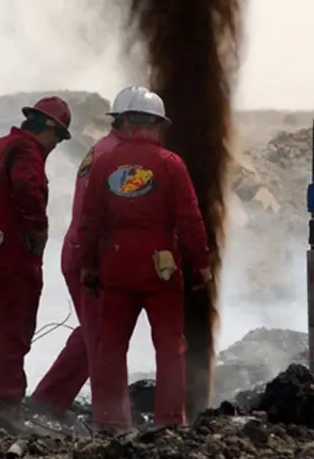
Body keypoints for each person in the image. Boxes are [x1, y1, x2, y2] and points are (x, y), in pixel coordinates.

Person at [77, 89, 212, 431]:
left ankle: (108, 420)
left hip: (116, 264)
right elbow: (190, 219)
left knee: (111, 346)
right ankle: (169, 420)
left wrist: (89, 266)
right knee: (169, 346)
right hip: (161, 268)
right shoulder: (170, 164)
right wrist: (201, 264)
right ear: (155, 124)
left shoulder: (105, 162)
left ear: (122, 122)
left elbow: (89, 220)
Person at [29, 86, 152, 421]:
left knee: (93, 333)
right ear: (133, 123)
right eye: (151, 124)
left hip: (82, 251)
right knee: (104, 341)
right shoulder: (116, 158)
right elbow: (97, 215)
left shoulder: (104, 151)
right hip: (90, 255)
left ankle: (48, 400)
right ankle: (111, 419)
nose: (155, 133)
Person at [0, 96, 72, 431]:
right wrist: (35, 230)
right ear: (48, 129)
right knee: (14, 327)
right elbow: (27, 188)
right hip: (9, 254)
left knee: (3, 326)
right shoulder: (26, 151)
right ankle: (5, 408)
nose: (54, 146)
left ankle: (1, 399)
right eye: (57, 138)